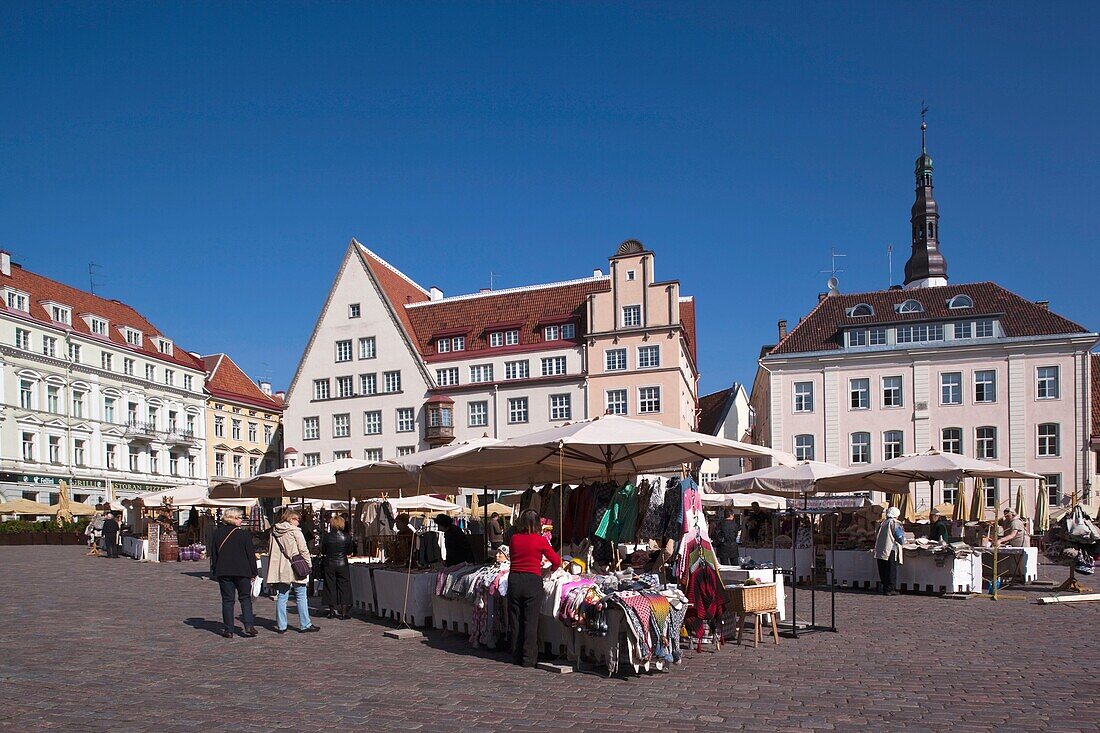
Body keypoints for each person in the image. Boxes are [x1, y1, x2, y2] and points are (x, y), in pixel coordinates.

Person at [506, 510, 561, 667]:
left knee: (515, 619)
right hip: (532, 580)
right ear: (538, 523)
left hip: (515, 579)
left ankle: (516, 656)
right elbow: (556, 561)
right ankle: (529, 659)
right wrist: (548, 569)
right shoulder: (540, 540)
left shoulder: (514, 539)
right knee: (530, 621)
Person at [266, 508, 319, 634]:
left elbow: (271, 550)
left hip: (281, 568)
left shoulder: (274, 531)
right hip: (296, 566)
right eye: (297, 519)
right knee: (301, 595)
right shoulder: (295, 531)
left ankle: (281, 625)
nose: (299, 522)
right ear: (291, 519)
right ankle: (305, 624)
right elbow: (303, 549)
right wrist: (309, 564)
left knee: (282, 596)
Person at [210, 507, 259, 638]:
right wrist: (254, 572)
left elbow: (214, 555)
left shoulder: (217, 534)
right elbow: (250, 556)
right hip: (242, 571)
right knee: (245, 599)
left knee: (227, 601)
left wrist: (215, 570)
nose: (241, 520)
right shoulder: (244, 535)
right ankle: (248, 625)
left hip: (224, 571)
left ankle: (228, 630)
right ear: (232, 518)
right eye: (239, 518)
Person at [321, 515, 355, 620]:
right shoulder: (347, 537)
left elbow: (323, 550)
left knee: (330, 586)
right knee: (344, 586)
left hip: (330, 563)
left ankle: (331, 612)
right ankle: (344, 613)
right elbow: (349, 551)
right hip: (342, 563)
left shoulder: (326, 536)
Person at [874, 506, 906, 595]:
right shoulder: (894, 523)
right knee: (891, 570)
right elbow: (899, 537)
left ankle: (885, 587)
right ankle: (890, 589)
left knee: (883, 570)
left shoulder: (883, 523)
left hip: (881, 549)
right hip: (890, 549)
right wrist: (904, 541)